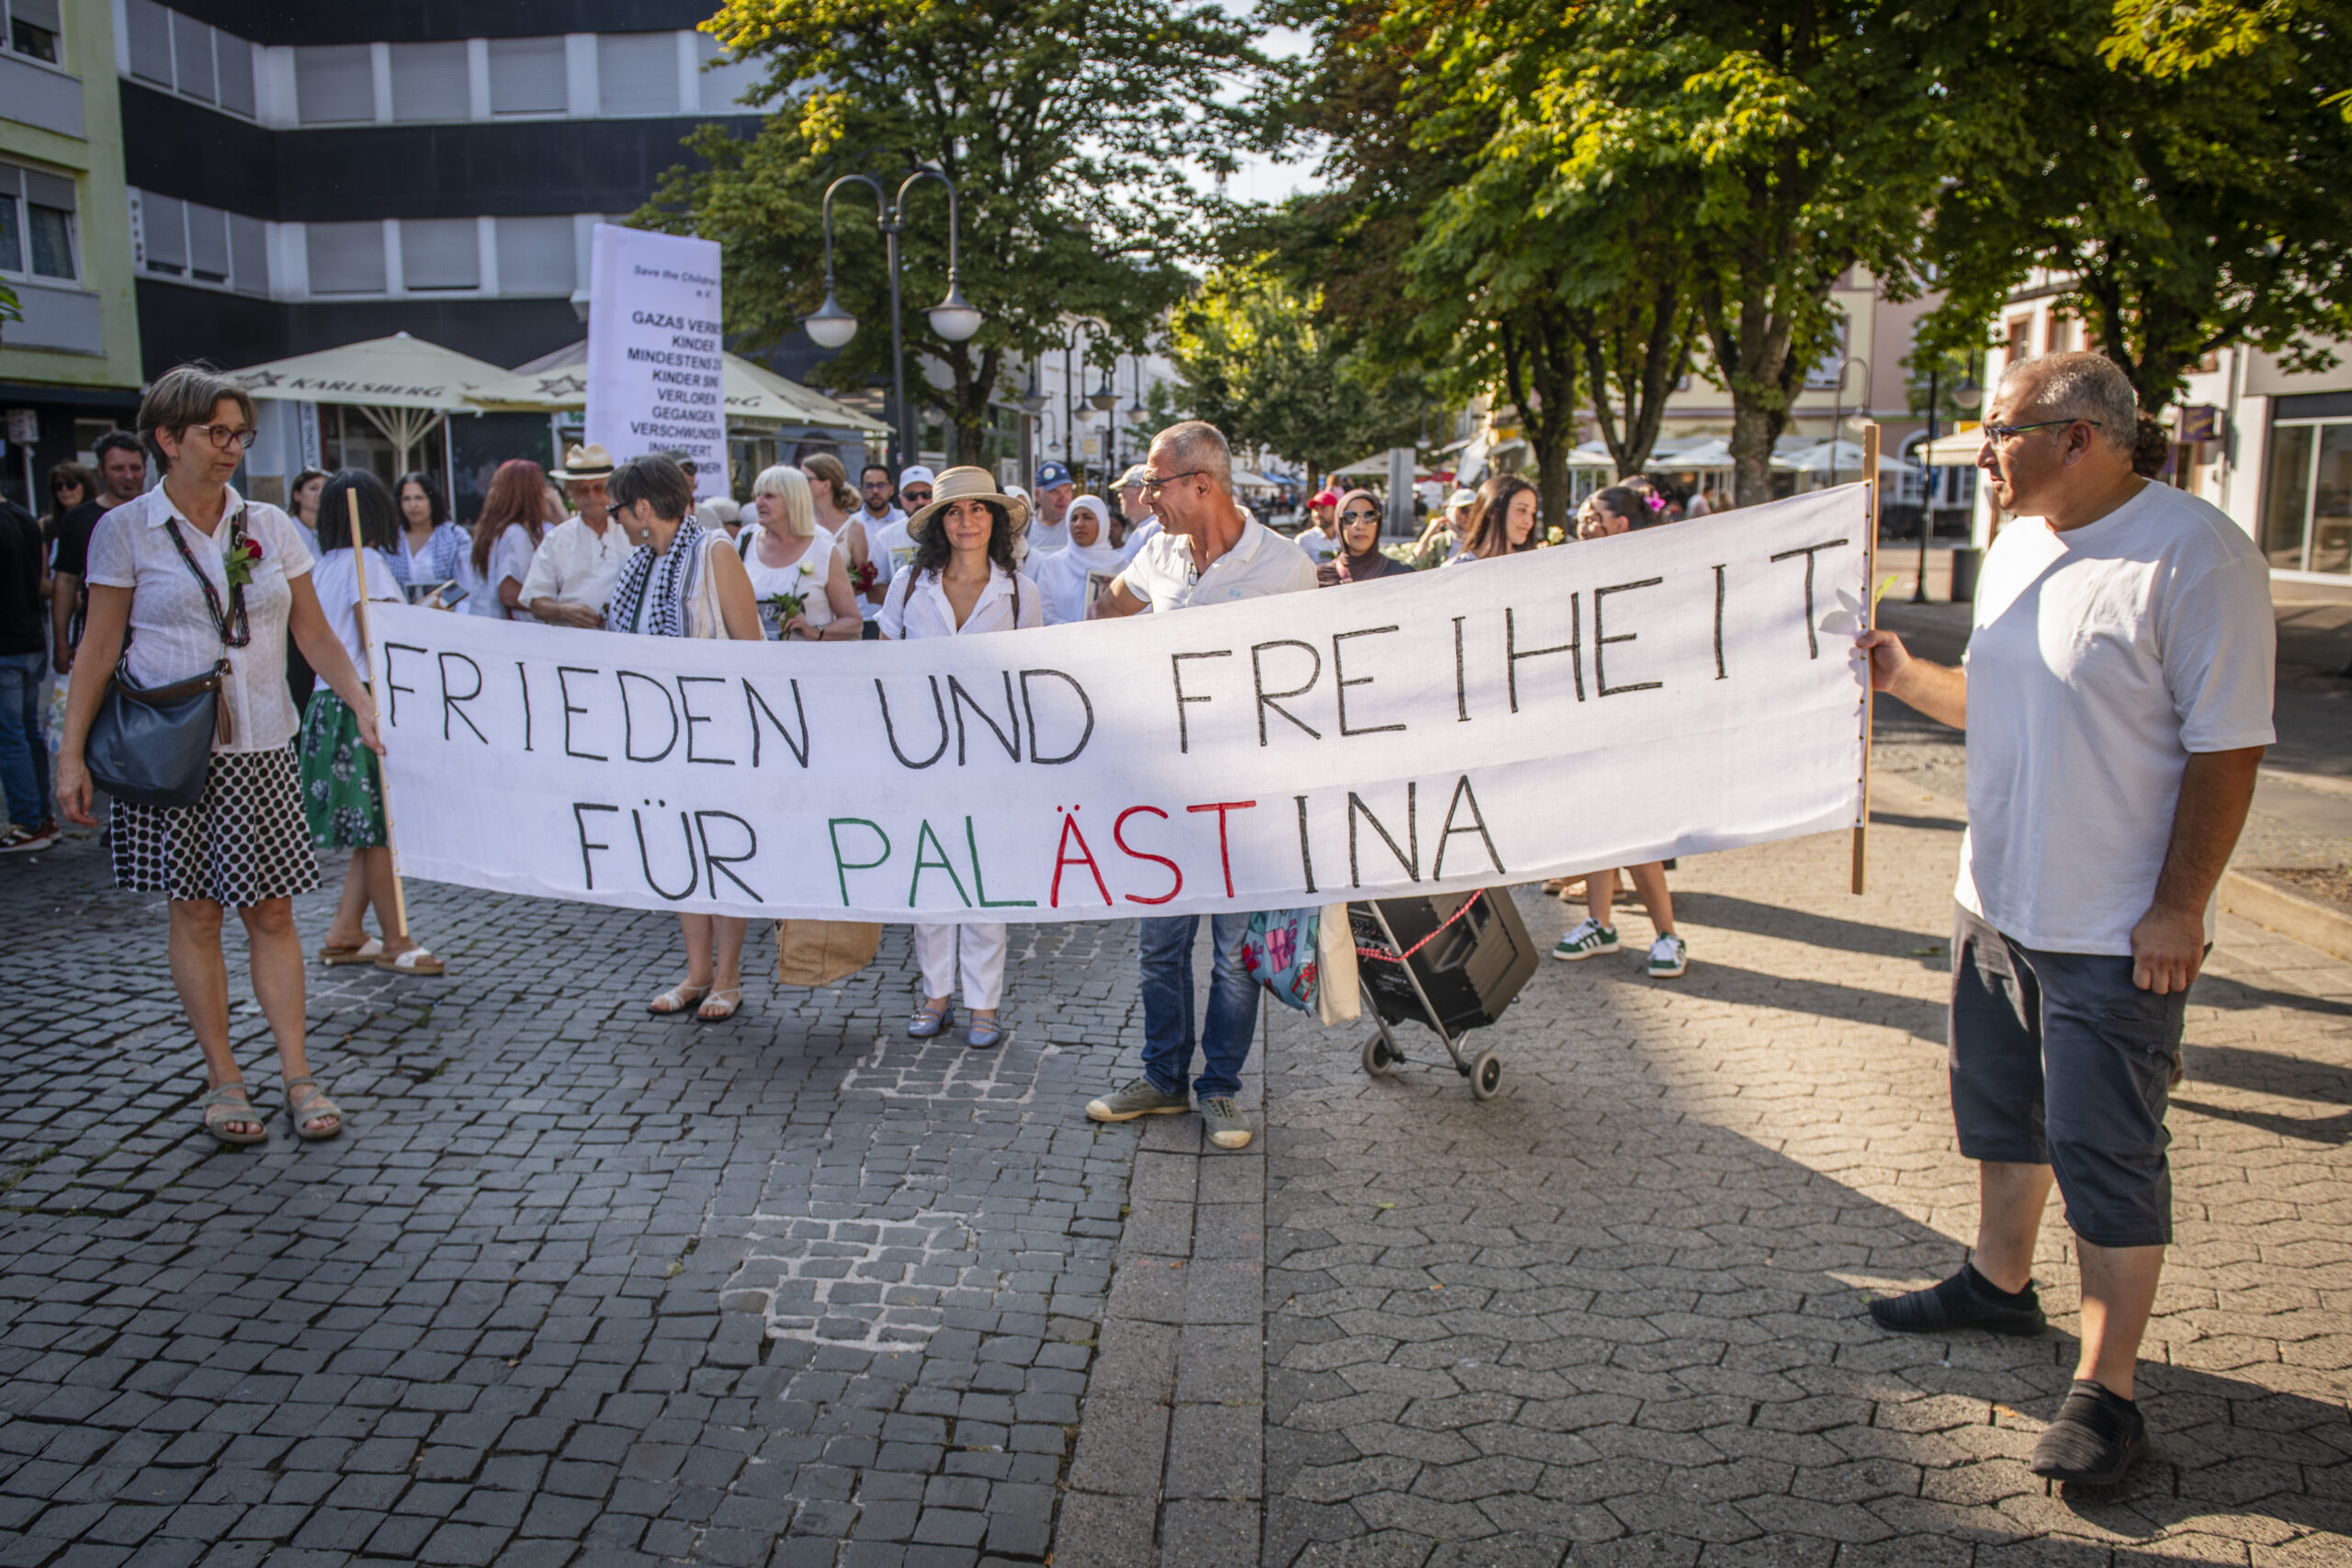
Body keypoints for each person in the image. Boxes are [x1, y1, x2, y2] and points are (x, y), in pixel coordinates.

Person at [1857, 351, 2273, 1488]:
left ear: (2079, 437)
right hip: (1996, 901)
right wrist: (1902, 677)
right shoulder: (2021, 544)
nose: (1983, 452)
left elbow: (2227, 747)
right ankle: (1997, 1285)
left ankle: (2108, 1392)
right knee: (2003, 1115)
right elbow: (1997, 697)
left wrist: (2178, 906)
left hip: (2111, 927)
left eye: (1999, 432)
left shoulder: (2194, 557)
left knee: (2106, 1149)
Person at [55, 365, 387, 1145]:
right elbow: (98, 649)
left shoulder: (269, 525)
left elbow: (312, 631)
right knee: (198, 912)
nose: (233, 446)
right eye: (217, 432)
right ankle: (223, 1074)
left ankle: (298, 1073)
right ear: (168, 438)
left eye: (242, 433)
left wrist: (364, 699)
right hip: (172, 749)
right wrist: (70, 755)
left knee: (271, 909)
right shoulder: (124, 530)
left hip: (263, 741)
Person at [1085, 422, 1318, 1151]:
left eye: (1154, 483)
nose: (1142, 495)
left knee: (1231, 957)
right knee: (1160, 945)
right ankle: (1161, 1079)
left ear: (1201, 485)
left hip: (1247, 797)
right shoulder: (1156, 553)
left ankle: (1219, 1088)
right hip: (1165, 794)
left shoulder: (1283, 568)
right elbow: (1108, 608)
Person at [877, 466, 1043, 1048]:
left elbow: (1034, 682)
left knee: (985, 880)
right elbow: (883, 666)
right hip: (922, 757)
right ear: (938, 523)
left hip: (992, 759)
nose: (966, 521)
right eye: (954, 511)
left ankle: (984, 1004)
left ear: (994, 520)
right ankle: (936, 995)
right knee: (929, 878)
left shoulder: (1020, 591)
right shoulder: (906, 584)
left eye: (978, 509)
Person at [605, 454, 765, 1021]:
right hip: (658, 735)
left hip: (715, 729)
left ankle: (729, 975)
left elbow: (750, 645)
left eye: (619, 509)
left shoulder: (714, 553)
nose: (616, 520)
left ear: (643, 508)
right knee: (678, 850)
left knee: (720, 850)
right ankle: (697, 971)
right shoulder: (641, 565)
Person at [300, 470, 442, 976]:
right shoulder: (370, 565)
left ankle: (345, 931)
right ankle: (396, 939)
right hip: (362, 702)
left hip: (327, 703)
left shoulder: (319, 568)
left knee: (371, 827)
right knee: (383, 829)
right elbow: (379, 641)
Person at [1551, 480, 1689, 976]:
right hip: (1593, 720)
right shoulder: (1578, 570)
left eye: (1593, 518)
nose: (1582, 525)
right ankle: (1600, 924)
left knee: (1634, 832)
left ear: (1621, 526)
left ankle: (1667, 935)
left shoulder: (1647, 577)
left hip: (1637, 721)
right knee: (1599, 824)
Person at [49, 430, 146, 677]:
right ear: (101, 470)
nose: (128, 476)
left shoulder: (157, 513)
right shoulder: (78, 518)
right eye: (118, 468)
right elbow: (66, 581)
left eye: (135, 468)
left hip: (151, 638)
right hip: (101, 637)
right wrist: (61, 642)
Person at [739, 464, 859, 641]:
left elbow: (853, 622)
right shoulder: (745, 540)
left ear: (793, 500)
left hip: (808, 664)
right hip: (756, 663)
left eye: (769, 496)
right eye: (758, 495)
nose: (759, 503)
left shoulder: (823, 549)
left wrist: (814, 631)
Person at [524, 443, 631, 629]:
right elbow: (535, 601)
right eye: (582, 490)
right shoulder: (556, 539)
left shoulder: (633, 532)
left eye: (599, 488)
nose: (591, 497)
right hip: (572, 644)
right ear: (570, 491)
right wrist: (564, 611)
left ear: (612, 489)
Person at [0, 489, 54, 852]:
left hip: (7, 642)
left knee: (11, 735)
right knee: (27, 731)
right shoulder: (22, 516)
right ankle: (42, 817)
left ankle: (28, 821)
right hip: (31, 636)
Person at [458, 459, 554, 620]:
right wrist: (555, 605)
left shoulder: (492, 529)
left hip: (486, 625)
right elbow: (509, 593)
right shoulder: (515, 533)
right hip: (512, 633)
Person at [803, 453, 887, 633]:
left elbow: (863, 580)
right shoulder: (800, 525)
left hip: (839, 622)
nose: (800, 484)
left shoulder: (854, 528)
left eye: (806, 479)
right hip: (805, 618)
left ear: (826, 485)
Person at [1033, 494, 1126, 626]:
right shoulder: (1052, 565)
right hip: (1062, 642)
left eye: (1087, 517)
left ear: (1102, 522)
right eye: (1073, 518)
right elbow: (1044, 614)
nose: (1079, 524)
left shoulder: (1121, 566)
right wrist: (1077, 633)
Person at [390, 471, 468, 598]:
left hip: (446, 614)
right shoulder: (391, 540)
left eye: (419, 498)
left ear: (432, 500)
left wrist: (433, 607)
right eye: (406, 499)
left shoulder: (455, 536)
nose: (413, 505)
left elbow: (464, 586)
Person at [1317, 489, 1414, 585]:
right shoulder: (1320, 578)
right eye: (1350, 517)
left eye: (1370, 516)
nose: (1360, 526)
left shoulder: (1403, 575)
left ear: (1379, 524)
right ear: (1339, 524)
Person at [1449, 473, 1543, 562]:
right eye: (1521, 510)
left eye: (1532, 513)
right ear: (1492, 511)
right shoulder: (1455, 568)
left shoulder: (1531, 564)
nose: (1529, 521)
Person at [867, 465, 932, 591]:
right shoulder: (884, 537)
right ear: (901, 499)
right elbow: (873, 588)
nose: (920, 501)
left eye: (926, 494)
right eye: (911, 496)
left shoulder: (953, 533)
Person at [1113, 464, 1160, 554]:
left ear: (1139, 490)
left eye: (1123, 488)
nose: (1120, 495)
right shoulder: (1145, 528)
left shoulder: (1155, 529)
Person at [1029, 461, 1076, 554]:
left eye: (1067, 491)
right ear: (1037, 494)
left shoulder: (1077, 528)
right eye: (1055, 492)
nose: (1063, 498)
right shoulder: (1025, 530)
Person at [287, 468, 328, 557]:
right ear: (297, 495)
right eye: (313, 488)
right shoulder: (288, 528)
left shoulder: (333, 528)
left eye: (325, 488)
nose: (320, 493)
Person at [858, 462, 906, 534]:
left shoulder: (904, 521)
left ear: (891, 489)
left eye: (881, 485)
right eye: (869, 486)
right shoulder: (852, 524)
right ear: (861, 490)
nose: (875, 491)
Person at [1297, 488, 1342, 562]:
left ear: (1335, 510)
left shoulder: (1346, 537)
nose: (1318, 513)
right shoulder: (1304, 540)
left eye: (1323, 508)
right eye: (1315, 509)